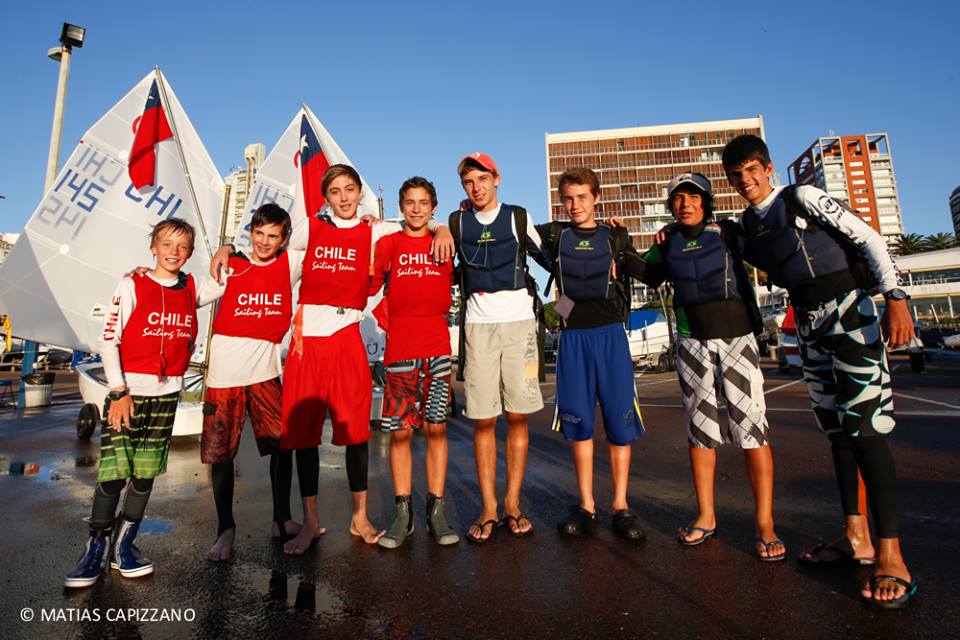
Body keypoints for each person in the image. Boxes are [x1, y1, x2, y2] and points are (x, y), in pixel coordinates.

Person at [208, 164, 453, 554]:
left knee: (356, 433)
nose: (344, 197)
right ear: (326, 197)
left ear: (360, 193)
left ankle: (359, 517)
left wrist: (443, 229)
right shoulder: (310, 227)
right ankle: (310, 523)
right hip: (308, 342)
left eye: (350, 189)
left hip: (347, 335)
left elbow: (416, 222)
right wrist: (227, 249)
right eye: (335, 191)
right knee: (304, 436)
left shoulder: (376, 231)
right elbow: (266, 246)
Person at [721, 134, 916, 607]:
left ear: (767, 168)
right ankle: (856, 537)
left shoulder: (803, 197)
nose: (745, 180)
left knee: (867, 433)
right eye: (736, 175)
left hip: (850, 314)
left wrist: (895, 298)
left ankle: (892, 555)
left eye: (752, 170)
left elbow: (868, 237)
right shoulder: (746, 227)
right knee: (838, 434)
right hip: (808, 325)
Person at [641, 172, 784, 560]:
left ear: (706, 201)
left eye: (693, 197)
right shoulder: (667, 242)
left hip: (737, 338)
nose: (685, 204)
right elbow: (643, 271)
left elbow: (772, 251)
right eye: (677, 198)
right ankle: (706, 515)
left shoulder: (729, 233)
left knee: (752, 431)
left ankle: (765, 523)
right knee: (700, 432)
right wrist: (618, 240)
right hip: (691, 341)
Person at [65, 218, 200, 587]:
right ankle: (96, 546)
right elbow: (109, 340)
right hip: (129, 394)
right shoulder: (131, 284)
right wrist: (118, 391)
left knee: (144, 474)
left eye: (182, 246)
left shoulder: (190, 287)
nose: (174, 252)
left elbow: (227, 278)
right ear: (153, 247)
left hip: (166, 393)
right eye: (166, 243)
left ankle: (125, 545)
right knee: (113, 474)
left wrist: (227, 251)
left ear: (190, 252)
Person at [200, 203, 313, 561]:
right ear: (250, 232)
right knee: (221, 454)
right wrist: (226, 249)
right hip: (225, 375)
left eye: (273, 236)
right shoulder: (231, 267)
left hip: (265, 373)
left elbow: (322, 232)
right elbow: (192, 296)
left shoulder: (290, 263)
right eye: (259, 233)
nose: (264, 242)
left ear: (284, 239)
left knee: (283, 446)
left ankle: (281, 519)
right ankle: (225, 529)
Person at [538, 167, 646, 541]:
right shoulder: (555, 236)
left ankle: (620, 505)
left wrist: (664, 238)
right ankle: (586, 505)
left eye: (582, 197)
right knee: (579, 423)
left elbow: (649, 272)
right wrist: (453, 221)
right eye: (568, 198)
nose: (575, 205)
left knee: (619, 421)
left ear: (596, 198)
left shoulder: (615, 236)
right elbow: (512, 231)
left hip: (611, 335)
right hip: (573, 339)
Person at [449, 152, 545, 542]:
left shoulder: (519, 218)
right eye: (469, 182)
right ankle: (489, 507)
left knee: (517, 416)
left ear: (497, 178)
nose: (476, 187)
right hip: (478, 328)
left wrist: (610, 240)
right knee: (484, 419)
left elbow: (554, 257)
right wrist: (439, 229)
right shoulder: (456, 223)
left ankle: (512, 504)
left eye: (482, 179)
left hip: (520, 326)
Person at [369, 177, 459, 548]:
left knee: (436, 429)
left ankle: (436, 512)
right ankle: (402, 514)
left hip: (437, 349)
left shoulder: (446, 242)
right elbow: (367, 285)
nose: (417, 209)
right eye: (410, 202)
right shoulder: (389, 244)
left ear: (433, 207)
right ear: (401, 207)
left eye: (424, 203)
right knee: (400, 433)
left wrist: (443, 229)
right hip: (400, 353)